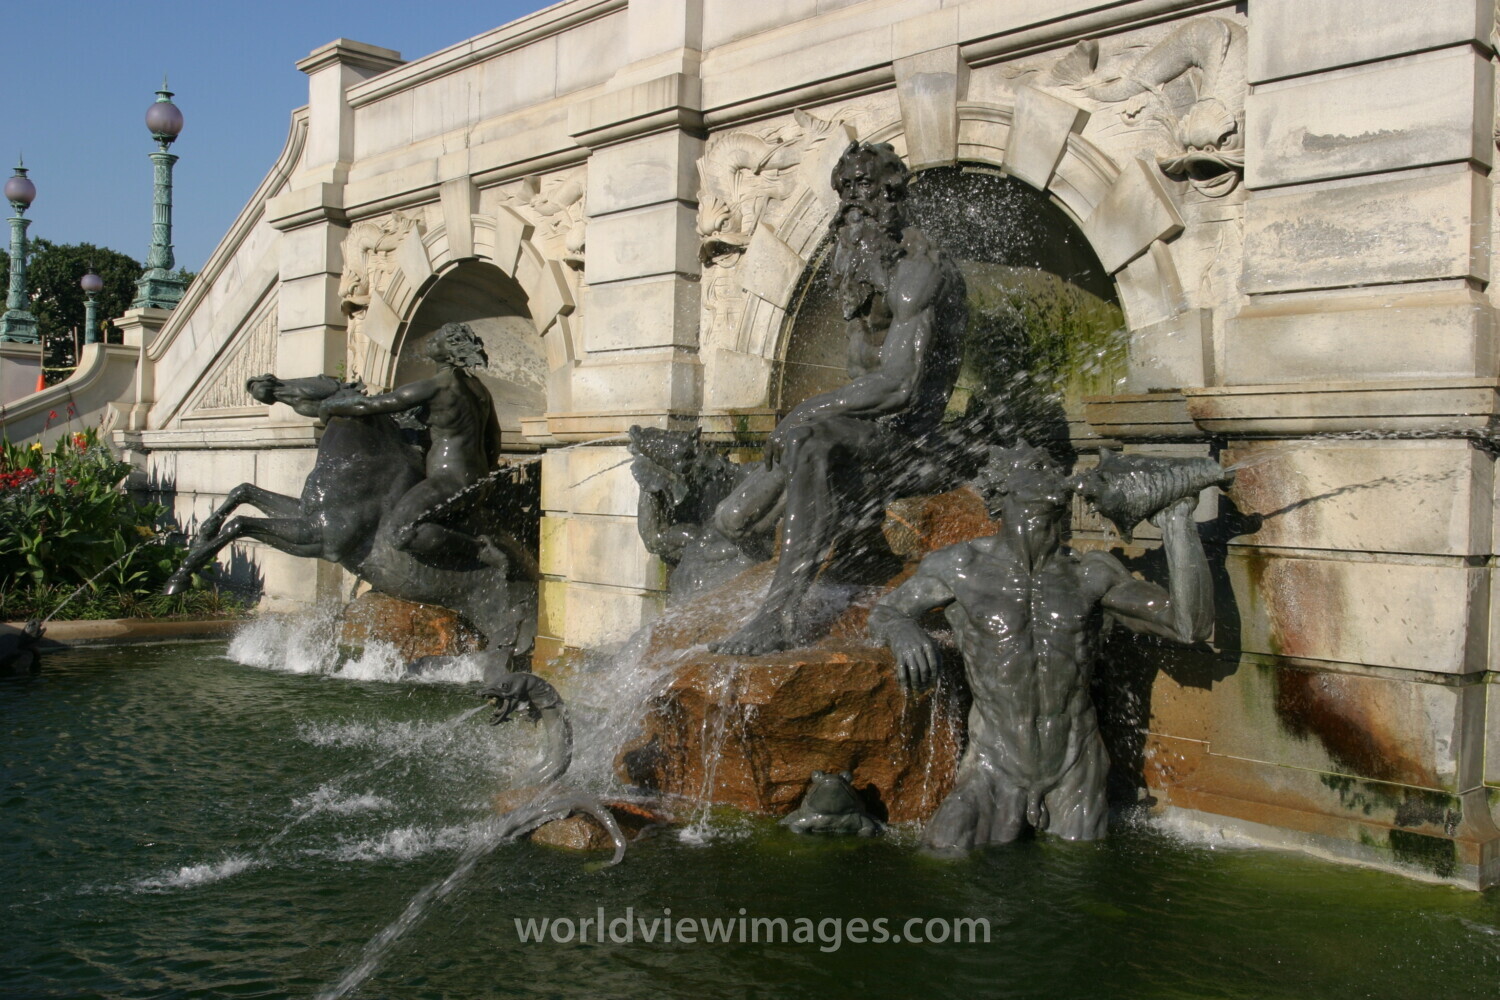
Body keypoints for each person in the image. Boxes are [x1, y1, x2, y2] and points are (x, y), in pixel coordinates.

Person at [868, 441, 1215, 850]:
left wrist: (1177, 523)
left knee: (1077, 879)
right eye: (1036, 466)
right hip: (993, 764)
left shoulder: (1092, 572)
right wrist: (902, 630)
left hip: (1076, 765)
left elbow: (1189, 625)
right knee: (942, 849)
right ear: (1002, 490)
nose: (1054, 475)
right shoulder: (960, 567)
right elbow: (886, 612)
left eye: (1052, 467)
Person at [709, 141, 968, 655]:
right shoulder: (861, 263)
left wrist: (806, 412)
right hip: (858, 430)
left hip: (907, 443)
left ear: (892, 192)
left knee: (806, 439)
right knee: (731, 520)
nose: (851, 200)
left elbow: (899, 384)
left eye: (863, 186)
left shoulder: (921, 270)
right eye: (843, 189)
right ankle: (797, 554)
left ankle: (779, 614)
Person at [316, 322, 506, 564]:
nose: (430, 342)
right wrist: (485, 475)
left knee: (399, 534)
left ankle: (478, 549)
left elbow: (372, 405)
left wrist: (329, 406)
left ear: (447, 351)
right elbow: (494, 437)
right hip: (477, 481)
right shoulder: (479, 389)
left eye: (436, 340)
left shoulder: (436, 386)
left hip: (448, 480)